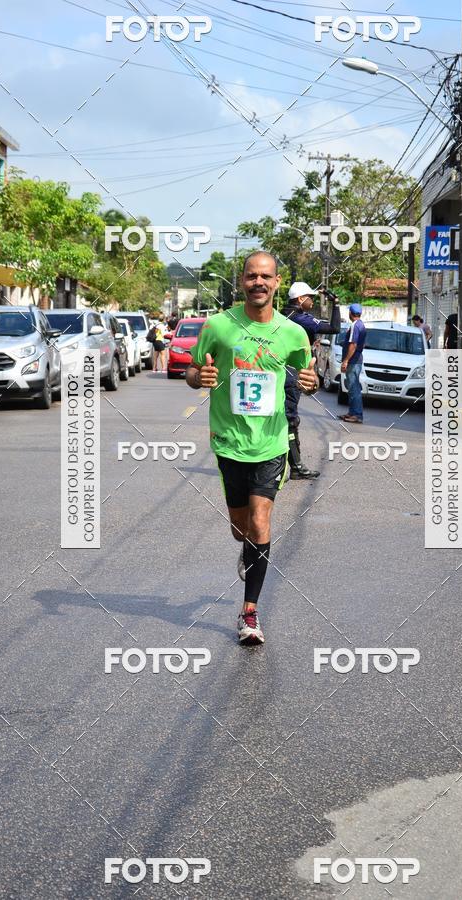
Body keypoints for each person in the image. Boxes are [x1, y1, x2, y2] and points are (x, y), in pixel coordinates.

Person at [186, 251, 317, 645]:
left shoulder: (294, 333)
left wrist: (312, 383)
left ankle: (249, 614)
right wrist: (200, 377)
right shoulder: (219, 326)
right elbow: (193, 371)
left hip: (271, 442)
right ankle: (248, 551)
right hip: (229, 442)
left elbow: (308, 375)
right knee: (239, 528)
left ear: (277, 282)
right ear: (241, 281)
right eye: (251, 276)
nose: (258, 282)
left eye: (266, 277)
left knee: (261, 523)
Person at [283, 281, 342, 480]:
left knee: (280, 416)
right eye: (311, 298)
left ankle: (288, 463)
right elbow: (334, 328)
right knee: (290, 419)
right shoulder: (301, 318)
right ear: (301, 299)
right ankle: (296, 467)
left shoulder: (280, 314)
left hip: (279, 370)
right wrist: (336, 303)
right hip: (292, 373)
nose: (312, 301)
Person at [338, 304, 366, 424]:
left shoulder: (355, 326)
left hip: (353, 361)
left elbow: (353, 345)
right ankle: (352, 412)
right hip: (355, 360)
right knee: (352, 387)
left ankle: (357, 414)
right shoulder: (361, 325)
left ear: (350, 313)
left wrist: (346, 360)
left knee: (354, 388)